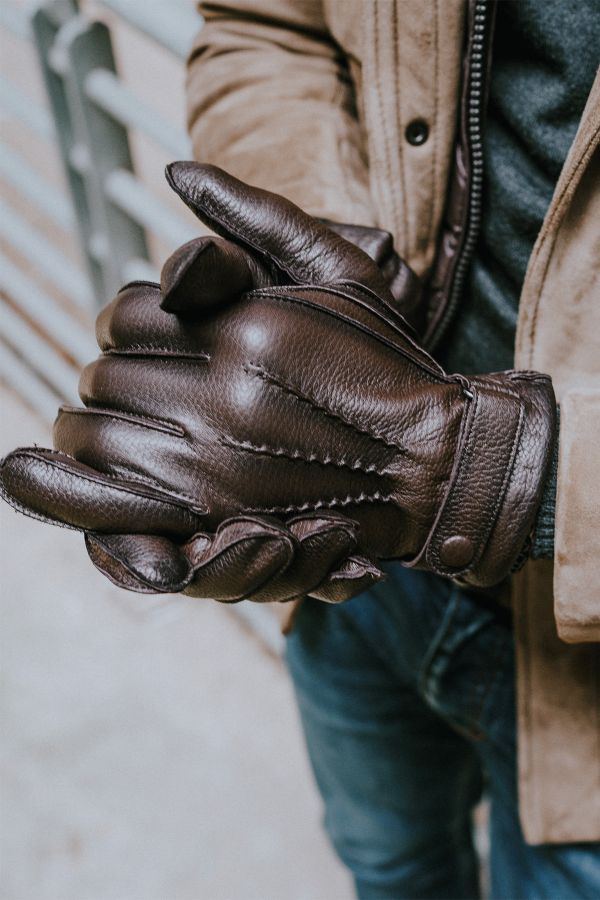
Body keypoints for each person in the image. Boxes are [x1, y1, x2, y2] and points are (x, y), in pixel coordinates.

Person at [0, 1, 598, 898]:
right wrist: (326, 273)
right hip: (348, 549)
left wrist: (481, 469)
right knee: (388, 867)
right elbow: (266, 24)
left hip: (582, 690)